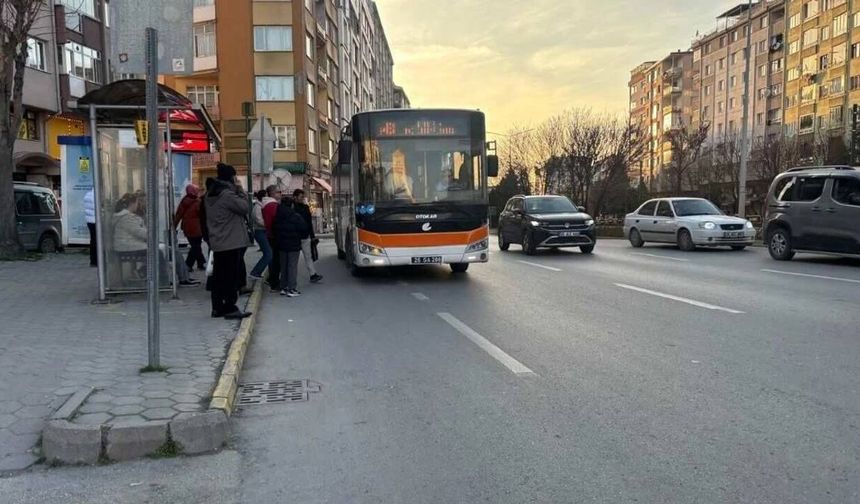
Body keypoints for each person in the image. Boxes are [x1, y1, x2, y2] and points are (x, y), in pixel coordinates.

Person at [113, 192, 197, 286]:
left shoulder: (128, 216)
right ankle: (163, 281)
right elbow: (142, 234)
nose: (138, 205)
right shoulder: (127, 218)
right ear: (132, 203)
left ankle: (184, 278)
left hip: (133, 244)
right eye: (137, 202)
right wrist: (151, 232)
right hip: (129, 246)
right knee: (159, 253)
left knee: (173, 251)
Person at [203, 163, 252, 319]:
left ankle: (217, 308)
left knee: (218, 277)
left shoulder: (210, 194)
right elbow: (245, 207)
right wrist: (240, 190)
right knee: (231, 277)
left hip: (218, 241)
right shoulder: (227, 195)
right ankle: (230, 307)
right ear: (231, 177)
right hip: (231, 241)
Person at [273, 196, 308, 297]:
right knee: (292, 266)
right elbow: (304, 229)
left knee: (284, 266)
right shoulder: (295, 216)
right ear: (291, 205)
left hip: (281, 245)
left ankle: (283, 287)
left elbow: (274, 229)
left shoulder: (278, 216)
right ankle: (291, 288)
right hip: (294, 244)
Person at [292, 189, 322, 283]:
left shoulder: (305, 207)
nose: (302, 199)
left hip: (305, 236)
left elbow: (309, 223)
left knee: (308, 256)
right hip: (295, 237)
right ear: (295, 197)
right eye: (301, 197)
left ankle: (313, 274)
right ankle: (291, 278)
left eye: (303, 197)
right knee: (294, 259)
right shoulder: (291, 208)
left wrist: (312, 236)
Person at [174, 184, 206, 271]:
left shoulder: (184, 201)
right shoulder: (198, 202)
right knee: (196, 246)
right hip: (197, 228)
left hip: (187, 228)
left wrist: (174, 226)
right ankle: (188, 265)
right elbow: (202, 215)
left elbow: (178, 215)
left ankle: (201, 263)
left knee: (195, 245)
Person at [261, 185, 282, 291]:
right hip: (274, 235)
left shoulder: (266, 205)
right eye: (279, 192)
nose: (280, 194)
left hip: (270, 234)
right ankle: (274, 283)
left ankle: (272, 280)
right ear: (273, 193)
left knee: (274, 259)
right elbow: (275, 221)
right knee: (276, 260)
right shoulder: (272, 205)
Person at [249, 189, 273, 280]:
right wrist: (269, 224)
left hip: (262, 231)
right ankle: (255, 272)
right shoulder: (258, 208)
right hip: (260, 231)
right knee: (268, 254)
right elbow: (259, 221)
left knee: (268, 253)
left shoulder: (261, 206)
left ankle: (258, 272)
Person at [84, 188, 97, 267]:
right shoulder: (95, 195)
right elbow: (96, 207)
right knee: (96, 241)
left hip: (89, 220)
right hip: (95, 220)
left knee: (93, 240)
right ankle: (95, 260)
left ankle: (93, 260)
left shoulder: (87, 195)